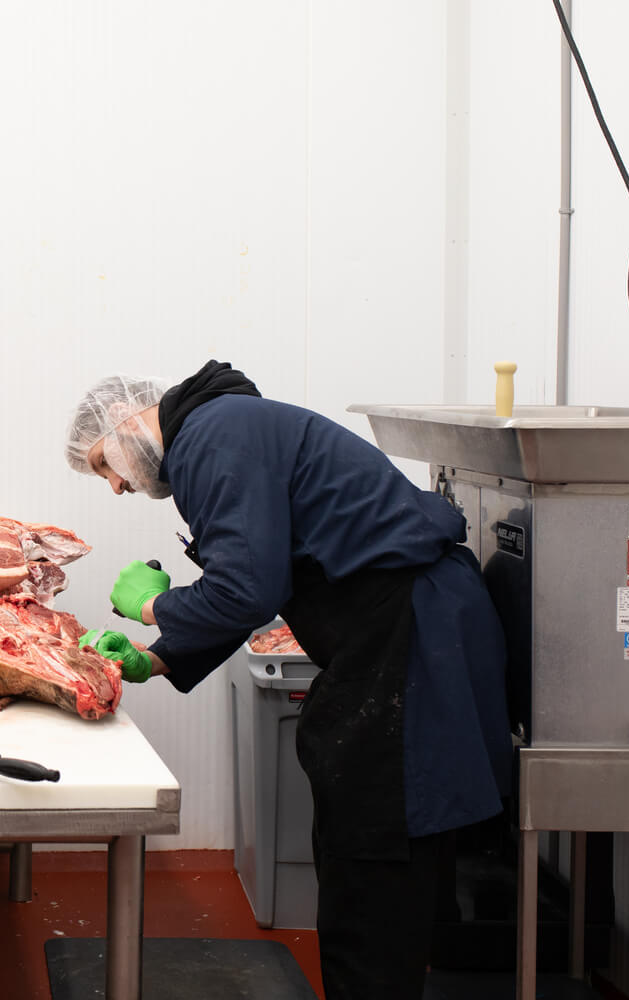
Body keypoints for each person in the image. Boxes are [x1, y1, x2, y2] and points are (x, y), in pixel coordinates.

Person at [66, 360, 511, 1000]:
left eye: (104, 465)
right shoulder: (221, 430)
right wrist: (158, 656)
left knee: (374, 852)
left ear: (127, 420)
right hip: (402, 631)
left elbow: (247, 587)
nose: (113, 486)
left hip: (410, 637)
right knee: (382, 848)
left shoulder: (212, 437)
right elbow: (254, 574)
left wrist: (151, 607)